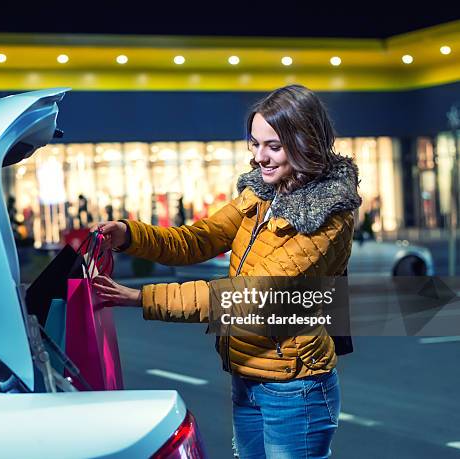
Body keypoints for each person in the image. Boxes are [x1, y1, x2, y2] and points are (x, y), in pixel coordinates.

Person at [92, 84, 362, 458]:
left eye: (273, 146)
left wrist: (141, 297)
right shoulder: (261, 195)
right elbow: (197, 240)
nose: (259, 158)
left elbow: (253, 294)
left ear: (305, 142)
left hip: (294, 387)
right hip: (248, 373)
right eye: (254, 144)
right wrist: (128, 235)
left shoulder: (327, 217)